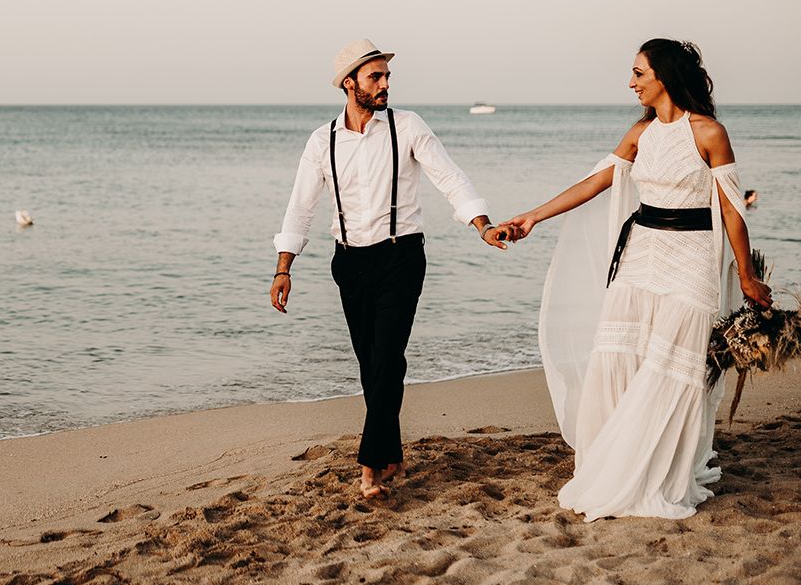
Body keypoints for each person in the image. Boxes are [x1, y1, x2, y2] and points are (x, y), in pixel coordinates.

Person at [499, 39, 772, 521]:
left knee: (674, 369)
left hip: (691, 261)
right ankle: (615, 465)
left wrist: (747, 276)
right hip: (640, 255)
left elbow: (732, 210)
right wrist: (533, 216)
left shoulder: (709, 133)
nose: (631, 82)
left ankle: (657, 474)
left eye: (638, 73)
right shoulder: (640, 133)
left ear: (663, 76)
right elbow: (596, 181)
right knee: (620, 360)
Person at [271, 39, 508, 499]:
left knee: (385, 360)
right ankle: (392, 451)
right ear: (349, 83)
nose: (384, 85)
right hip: (350, 262)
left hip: (401, 257)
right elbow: (300, 206)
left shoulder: (408, 126)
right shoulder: (323, 140)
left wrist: (481, 224)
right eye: (374, 77)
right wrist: (285, 267)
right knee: (373, 366)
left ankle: (369, 465)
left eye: (386, 77)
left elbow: (449, 176)